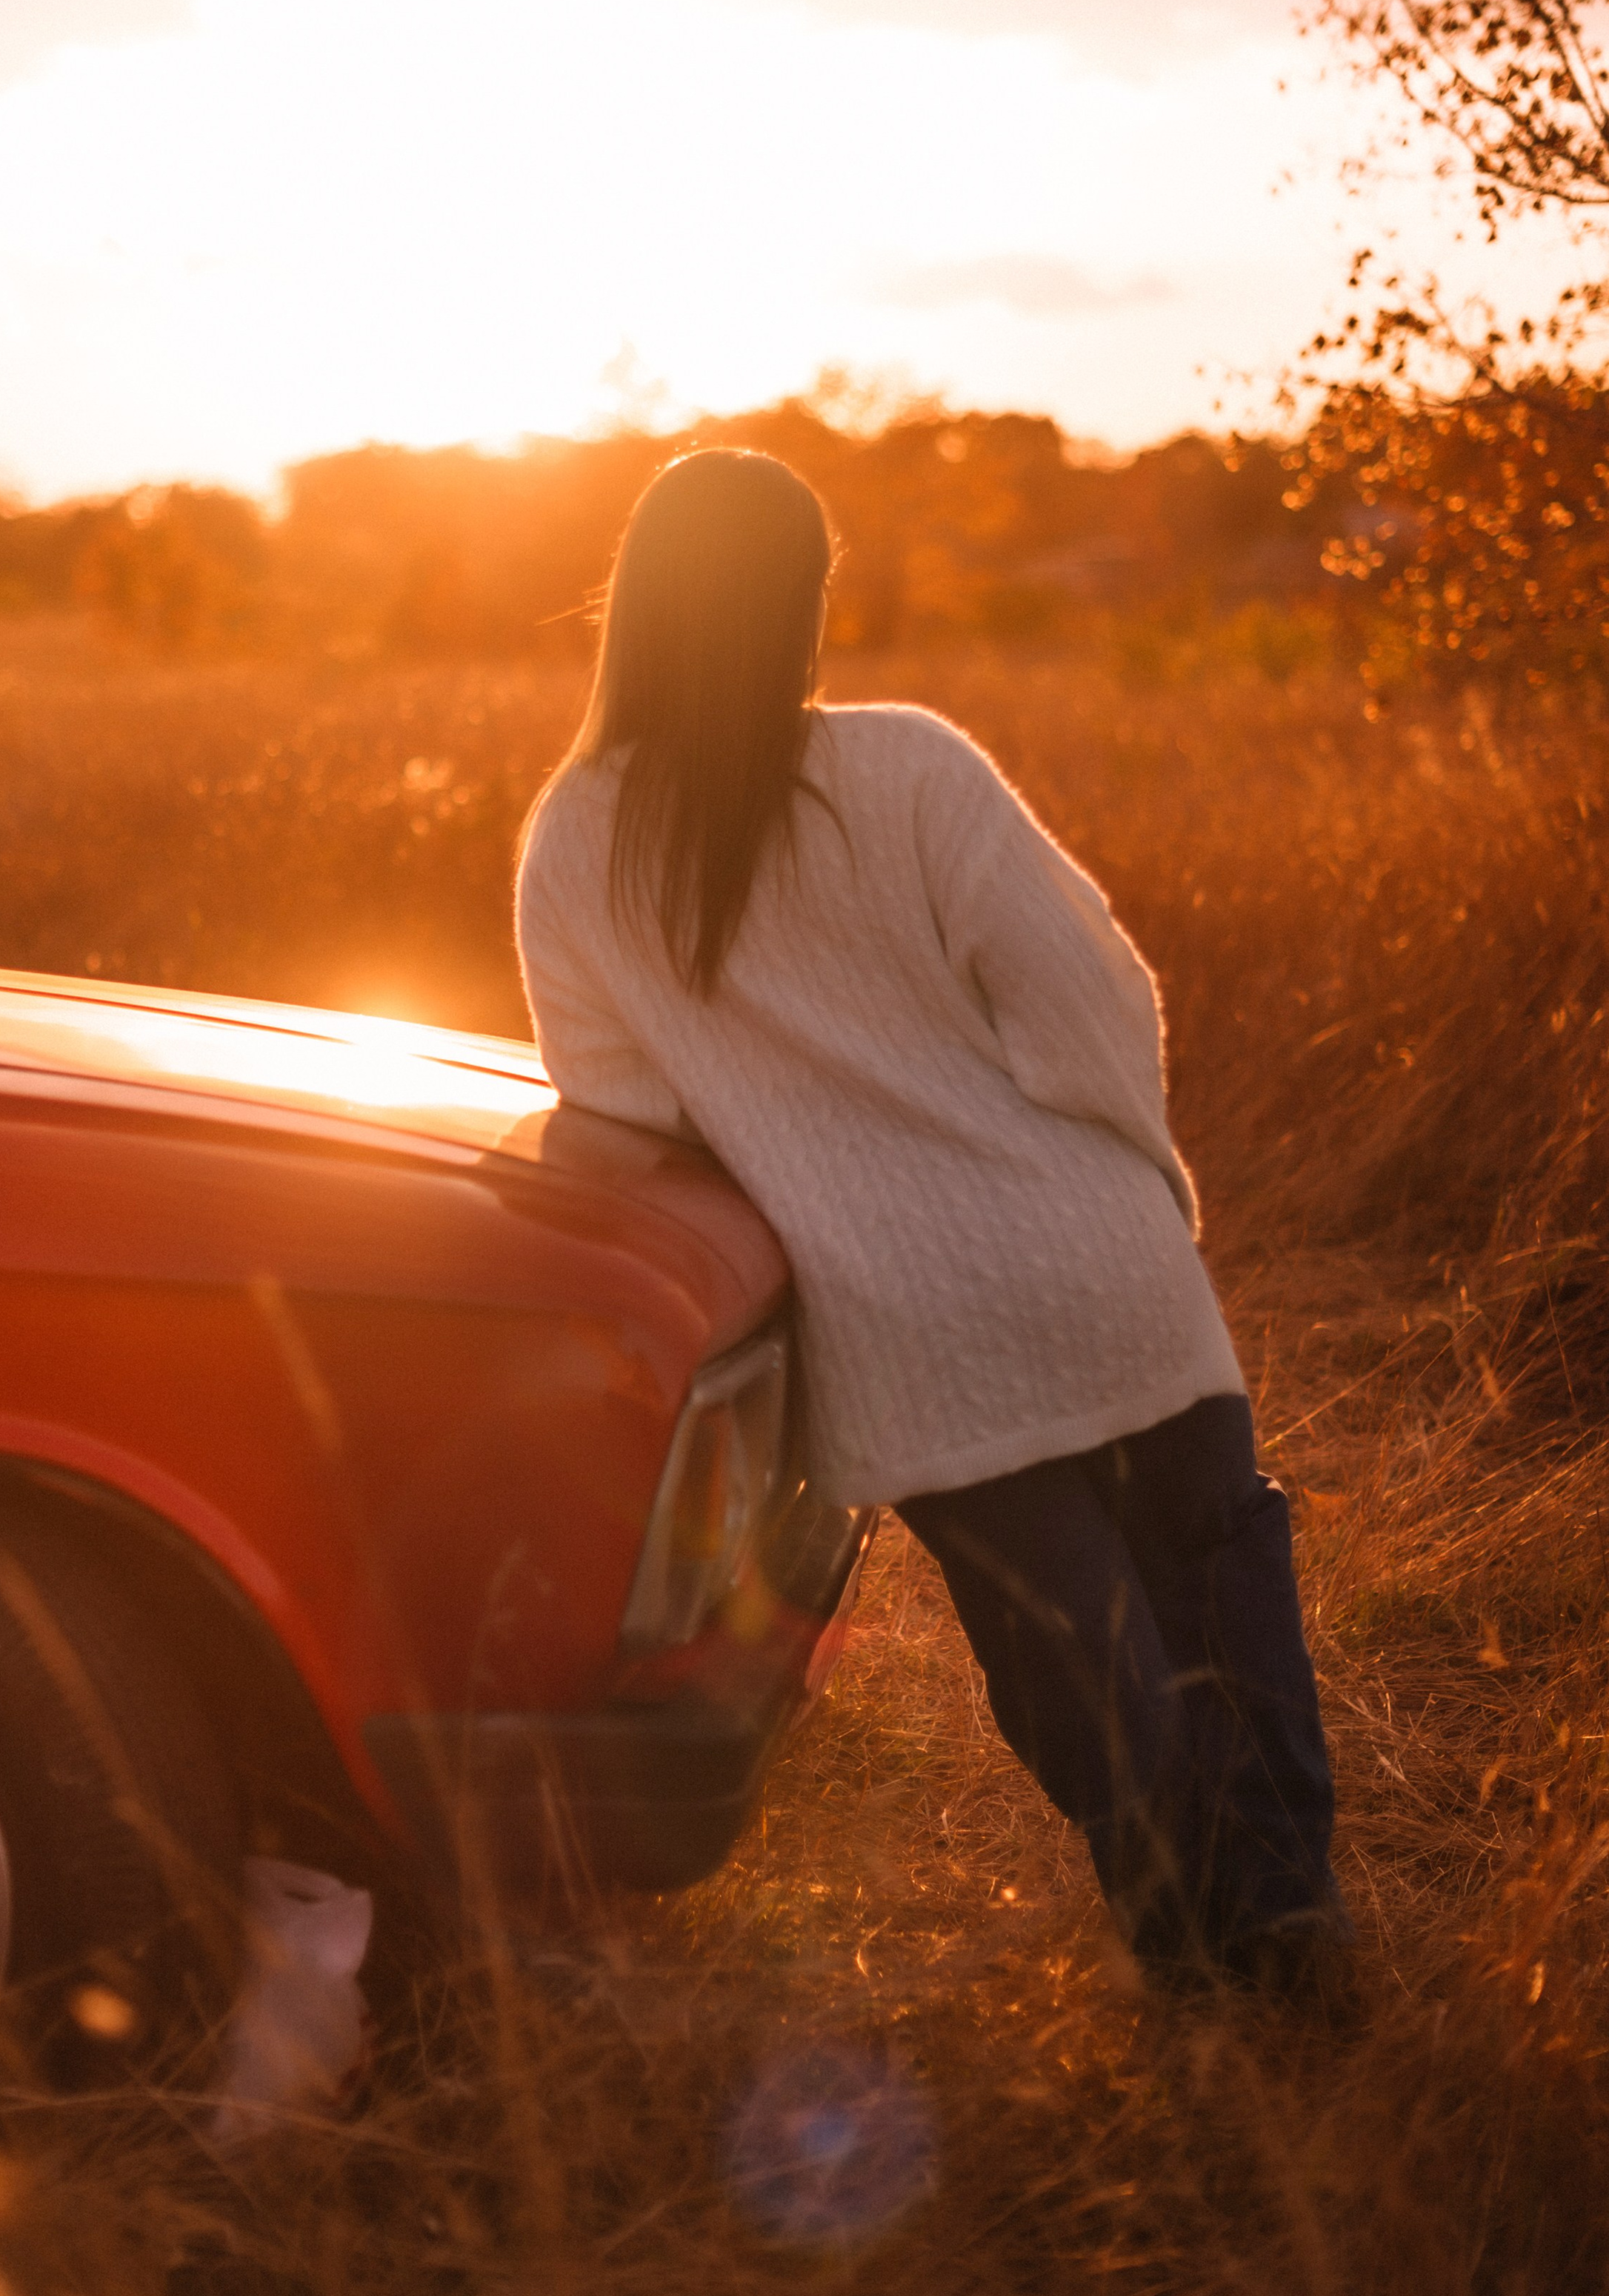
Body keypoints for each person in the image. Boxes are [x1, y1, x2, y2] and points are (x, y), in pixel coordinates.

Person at [514, 446, 1345, 1990]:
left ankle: (1198, 1964)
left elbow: (623, 1117)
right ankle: (1290, 1941)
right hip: (1104, 1256)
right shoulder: (911, 766)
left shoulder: (576, 840)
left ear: (637, 605)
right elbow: (1089, 1000)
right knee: (1221, 1584)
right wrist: (1137, 1182)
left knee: (1074, 1657)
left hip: (902, 1328)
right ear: (805, 603)